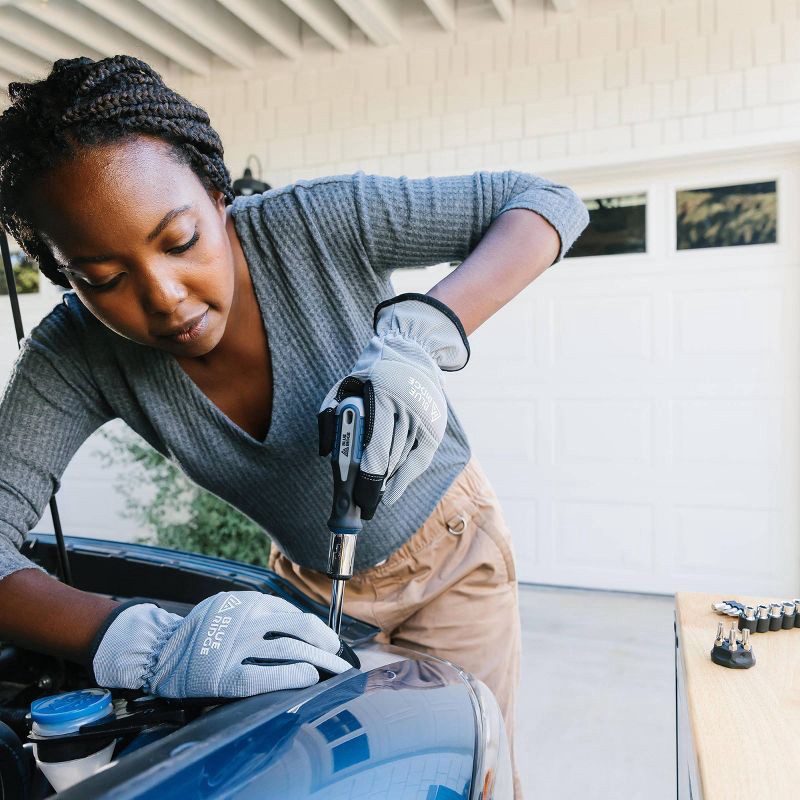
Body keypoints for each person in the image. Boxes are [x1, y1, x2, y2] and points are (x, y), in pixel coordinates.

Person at [0, 55, 588, 796]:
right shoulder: (73, 354)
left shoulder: (314, 225)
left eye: (180, 241)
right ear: (62, 274)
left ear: (217, 198)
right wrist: (139, 643)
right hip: (308, 590)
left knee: (461, 774)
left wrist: (423, 333)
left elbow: (545, 203)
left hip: (451, 562)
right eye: (104, 279)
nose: (165, 297)